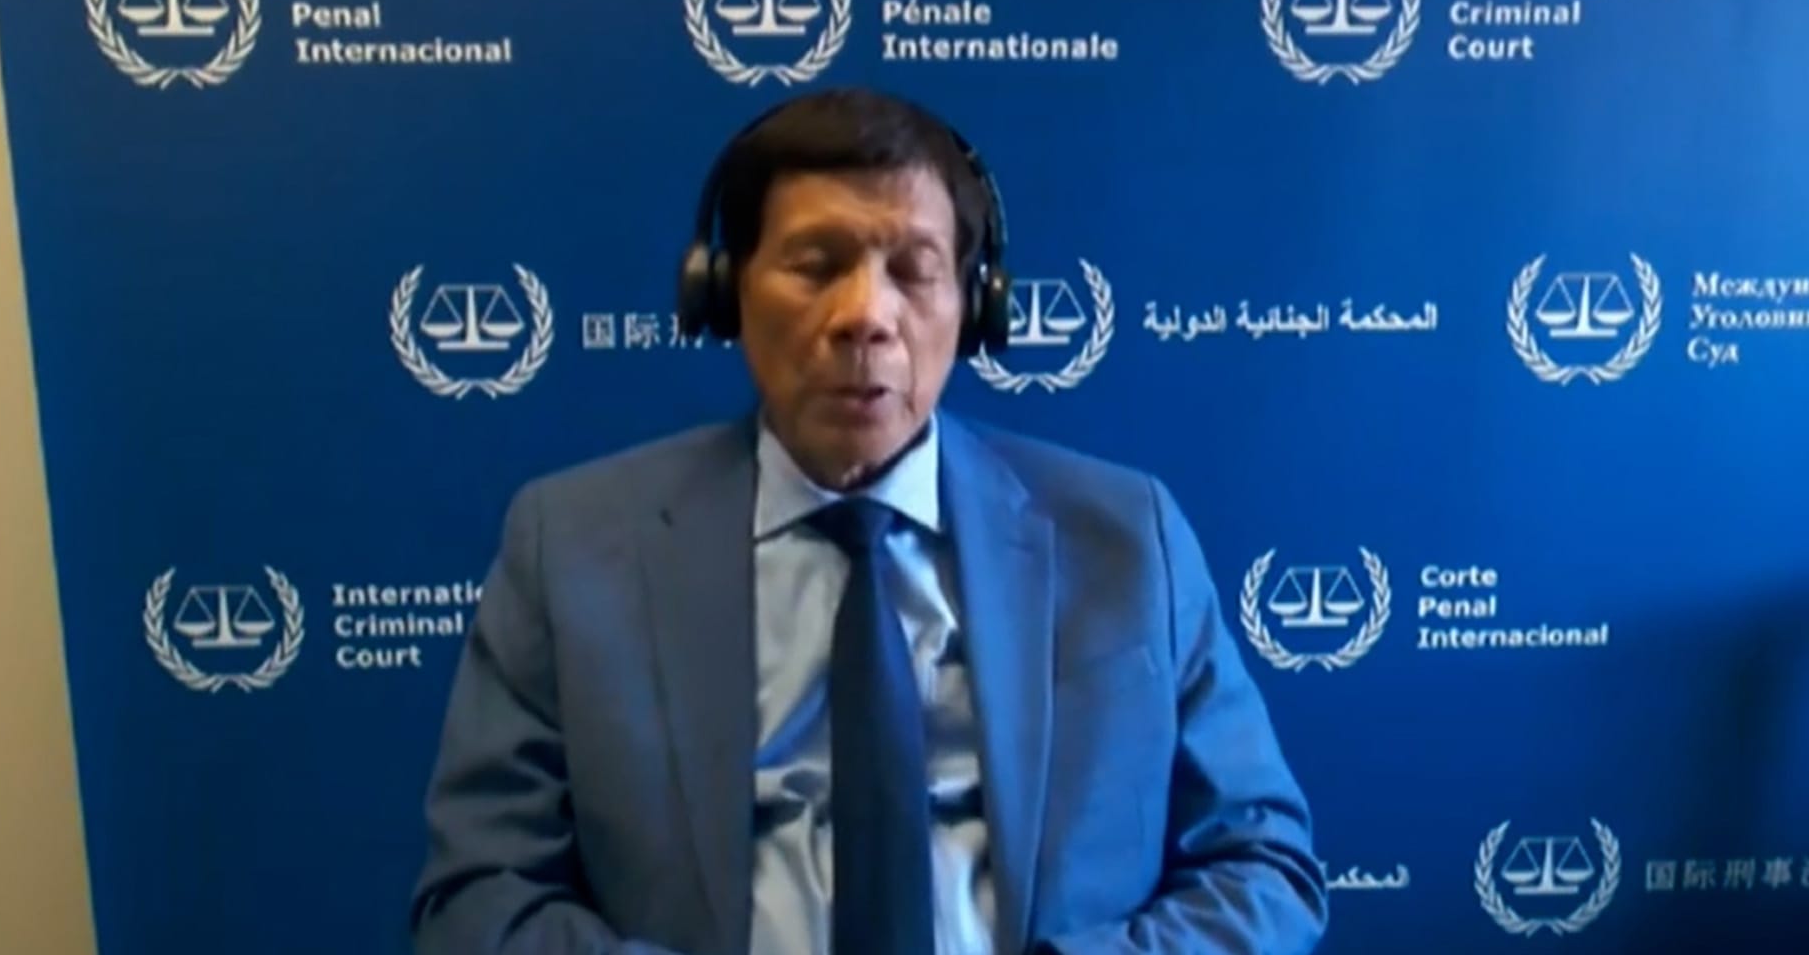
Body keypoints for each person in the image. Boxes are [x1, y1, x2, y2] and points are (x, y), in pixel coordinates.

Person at [408, 86, 1328, 955]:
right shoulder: (572, 546)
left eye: (913, 272)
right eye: (815, 267)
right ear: (726, 293)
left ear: (976, 305)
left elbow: (1262, 866)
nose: (865, 317)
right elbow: (482, 893)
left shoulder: (1126, 540)